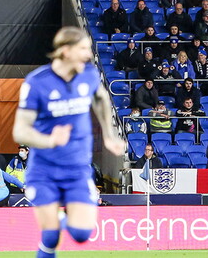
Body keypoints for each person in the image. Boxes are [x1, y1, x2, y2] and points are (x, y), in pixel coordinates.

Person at [12, 27, 125, 257]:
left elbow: (101, 98)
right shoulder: (37, 83)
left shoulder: (89, 74)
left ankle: (60, 219)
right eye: (83, 49)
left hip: (77, 170)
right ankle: (53, 228)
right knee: (51, 236)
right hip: (44, 172)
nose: (89, 54)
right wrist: (50, 140)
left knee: (81, 233)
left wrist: (109, 135)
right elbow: (20, 132)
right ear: (65, 51)